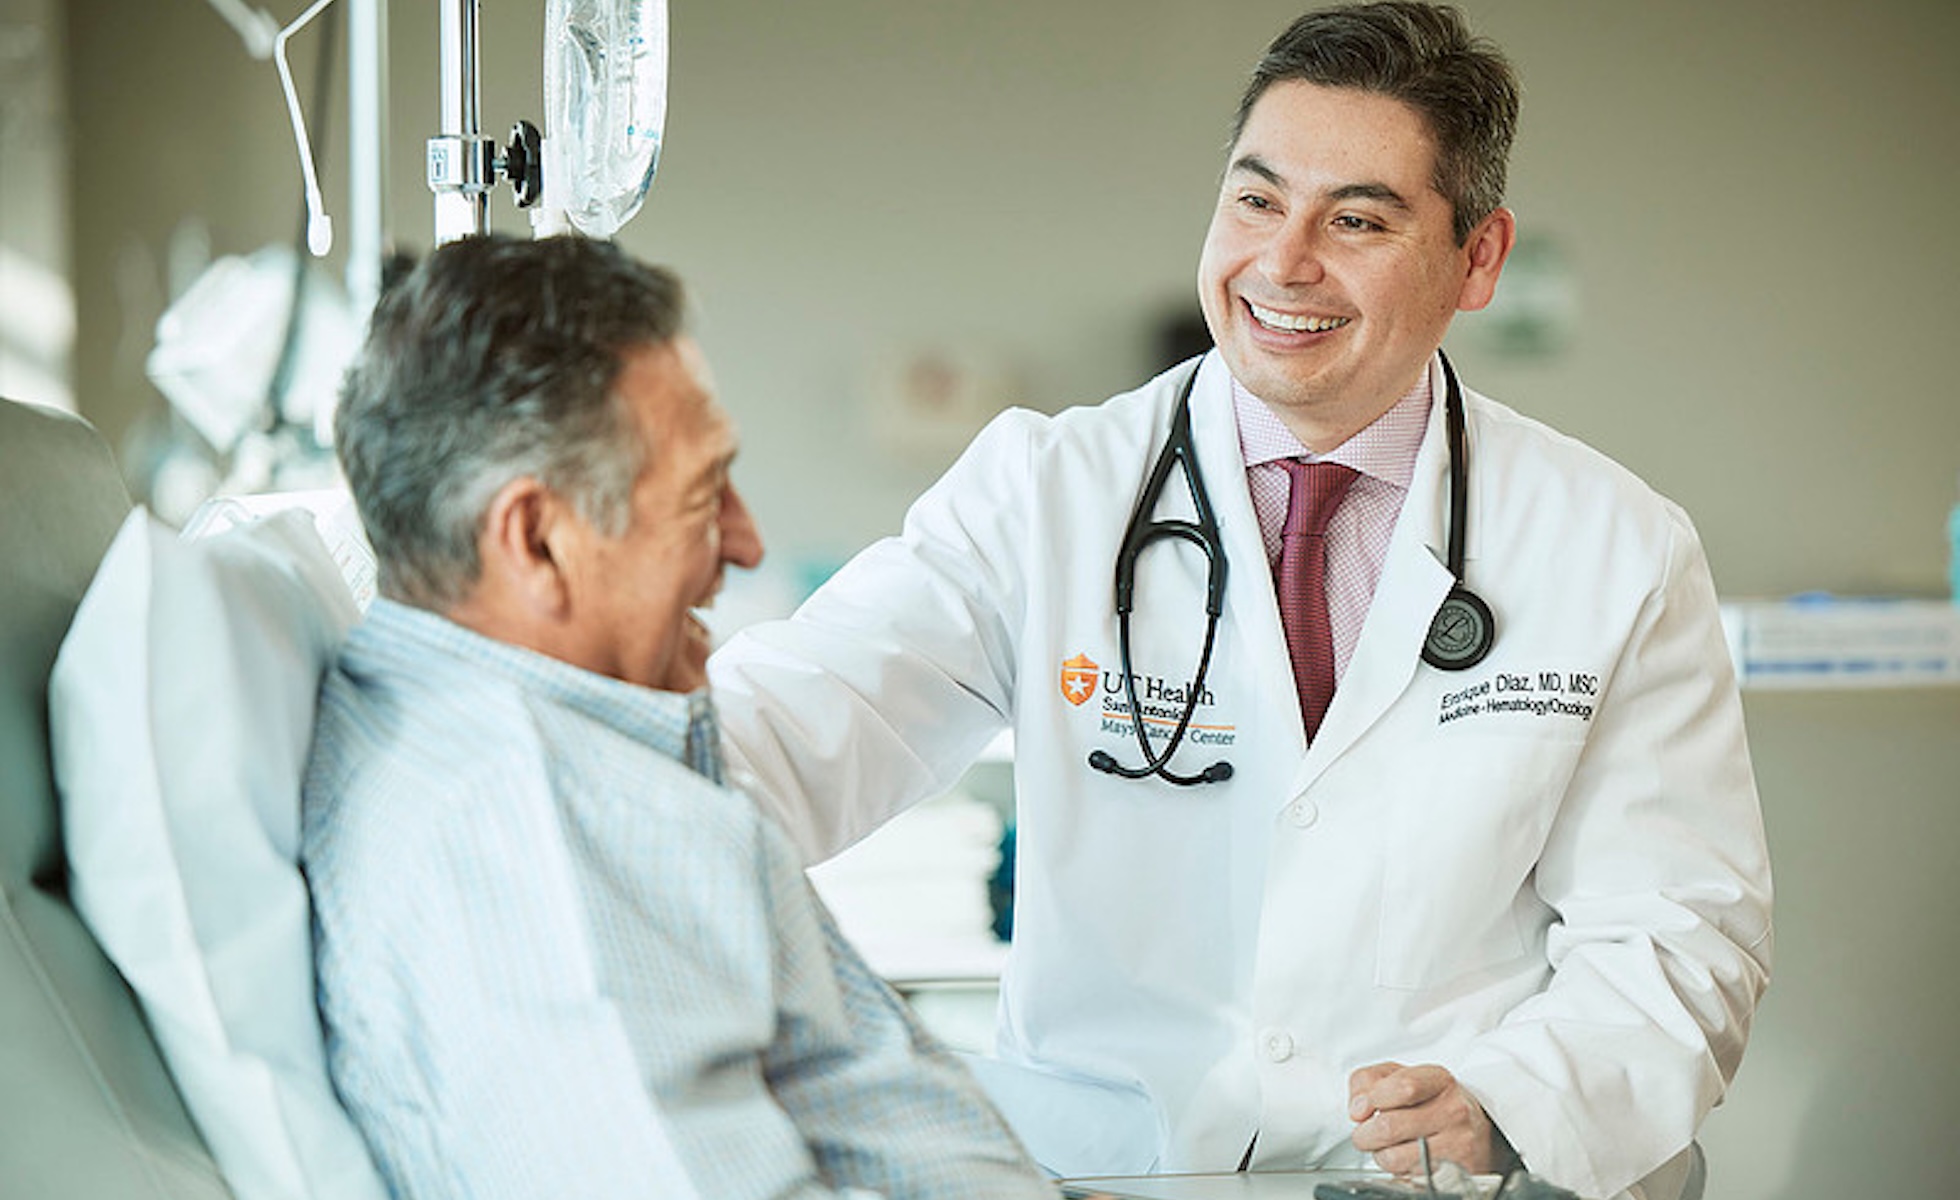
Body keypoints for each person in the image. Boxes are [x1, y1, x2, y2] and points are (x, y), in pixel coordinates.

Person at [708, 4, 1773, 1199]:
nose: (1282, 262)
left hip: (1443, 1176)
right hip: (1121, 1167)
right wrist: (575, 767)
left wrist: (1513, 1101)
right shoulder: (1045, 491)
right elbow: (807, 715)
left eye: (1357, 219)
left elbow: (1681, 931)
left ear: (1478, 260)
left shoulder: (1611, 543)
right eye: (1255, 200)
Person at [303, 233, 1057, 1200]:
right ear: (536, 541)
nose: (744, 544)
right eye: (705, 496)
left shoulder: (582, 757)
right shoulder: (529, 846)